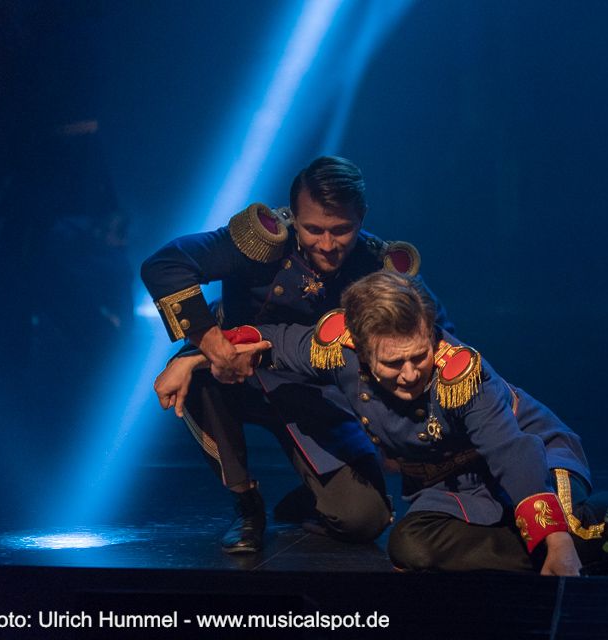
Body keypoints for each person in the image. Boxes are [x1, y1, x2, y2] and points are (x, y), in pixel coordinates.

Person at [172, 271, 608, 574]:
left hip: (534, 455)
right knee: (410, 549)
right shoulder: (334, 347)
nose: (413, 372)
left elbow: (513, 455)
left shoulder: (464, 375)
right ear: (361, 348)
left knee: (564, 531)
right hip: (446, 484)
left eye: (420, 353)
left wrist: (556, 543)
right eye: (394, 362)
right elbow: (268, 343)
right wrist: (193, 358)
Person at [144, 156, 450, 553]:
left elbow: (438, 335)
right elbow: (166, 265)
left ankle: (312, 495)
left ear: (362, 217)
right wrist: (208, 345)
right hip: (237, 372)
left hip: (315, 393)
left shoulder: (378, 266)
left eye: (342, 230)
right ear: (293, 215)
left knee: (365, 519)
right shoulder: (259, 240)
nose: (327, 245)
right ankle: (246, 506)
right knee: (202, 377)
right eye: (313, 229)